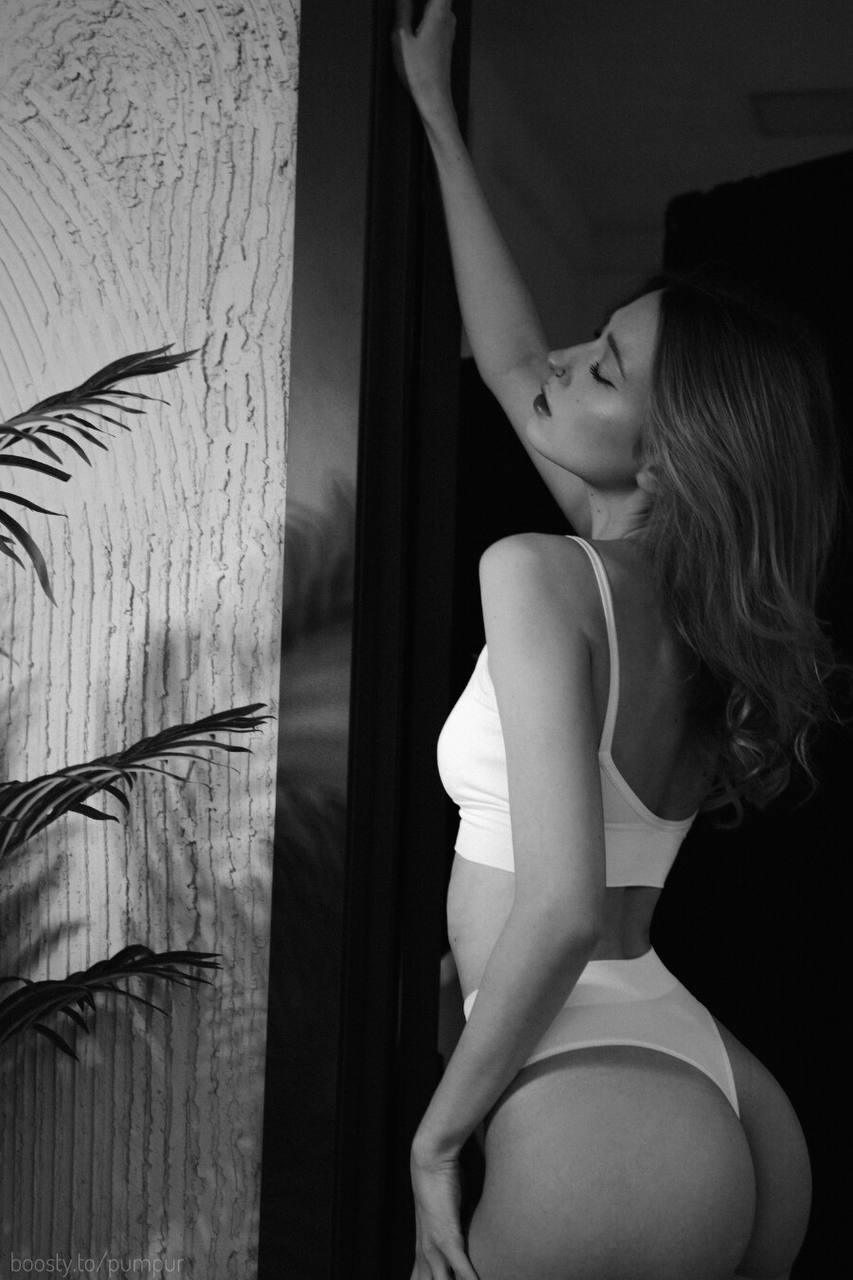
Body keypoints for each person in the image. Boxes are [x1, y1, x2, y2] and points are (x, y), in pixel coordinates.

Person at [394, 3, 843, 1278]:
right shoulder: (688, 600)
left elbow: (557, 909)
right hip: (705, 1076)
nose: (561, 357)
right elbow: (510, 360)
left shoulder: (537, 574)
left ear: (664, 455)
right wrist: (437, 117)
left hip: (589, 1092)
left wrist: (436, 1137)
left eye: (601, 367)